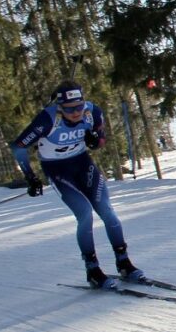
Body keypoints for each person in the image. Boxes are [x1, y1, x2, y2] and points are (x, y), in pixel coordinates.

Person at [10, 80, 145, 288]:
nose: (75, 113)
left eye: (79, 107)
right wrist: (31, 176)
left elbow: (101, 140)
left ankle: (124, 262)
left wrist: (95, 141)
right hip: (57, 170)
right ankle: (92, 269)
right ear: (60, 107)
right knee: (84, 214)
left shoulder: (93, 112)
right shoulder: (47, 119)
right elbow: (19, 147)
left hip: (82, 164)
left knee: (107, 210)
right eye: (69, 109)